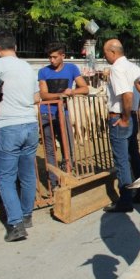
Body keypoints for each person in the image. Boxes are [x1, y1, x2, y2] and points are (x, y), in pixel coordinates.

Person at [0, 32, 40, 242]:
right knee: (27, 173)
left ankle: (15, 224)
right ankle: (27, 215)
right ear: (16, 47)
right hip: (30, 123)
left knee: (6, 178)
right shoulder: (28, 67)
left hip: (8, 125)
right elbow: (37, 97)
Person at [38, 41, 89, 187]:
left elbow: (84, 88)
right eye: (49, 57)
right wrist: (61, 95)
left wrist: (72, 91)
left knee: (68, 145)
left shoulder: (72, 68)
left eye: (54, 57)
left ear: (62, 56)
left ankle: (68, 173)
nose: (51, 60)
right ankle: (53, 182)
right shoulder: (43, 72)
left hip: (63, 113)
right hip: (46, 113)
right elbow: (43, 94)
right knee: (49, 148)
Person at [102, 39, 140, 213]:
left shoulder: (117, 69)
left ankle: (125, 199)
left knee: (122, 159)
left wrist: (125, 118)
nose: (104, 57)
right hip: (131, 115)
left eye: (105, 53)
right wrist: (133, 113)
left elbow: (127, 94)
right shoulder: (134, 68)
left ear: (113, 52)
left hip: (120, 117)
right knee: (134, 155)